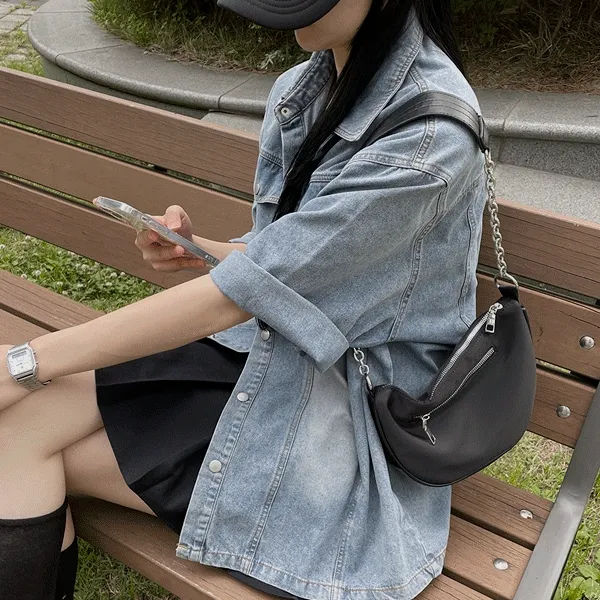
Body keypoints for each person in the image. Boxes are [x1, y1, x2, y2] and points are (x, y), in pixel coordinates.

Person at [0, 0, 488, 598]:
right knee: (19, 429)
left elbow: (240, 296)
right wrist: (198, 249)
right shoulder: (310, 85)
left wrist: (25, 361)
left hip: (341, 421)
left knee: (17, 437)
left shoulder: (427, 142)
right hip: (266, 356)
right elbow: (283, 262)